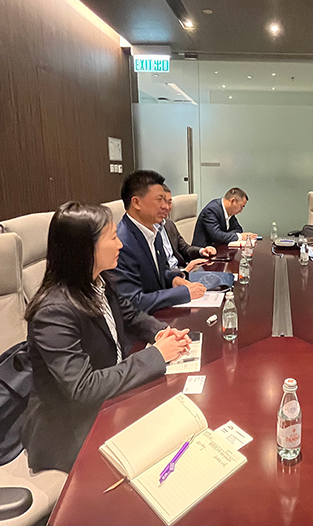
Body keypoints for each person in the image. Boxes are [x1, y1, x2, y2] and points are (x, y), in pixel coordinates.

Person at [21, 202, 192, 473]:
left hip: (111, 398)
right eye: (112, 238)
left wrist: (160, 332)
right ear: (85, 248)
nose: (120, 244)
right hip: (71, 425)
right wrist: (157, 354)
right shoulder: (53, 312)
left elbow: (130, 315)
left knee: (178, 427)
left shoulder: (100, 280)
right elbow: (83, 388)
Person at [112, 170, 206, 313]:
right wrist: (183, 293)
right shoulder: (122, 243)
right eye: (159, 200)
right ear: (136, 202)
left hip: (160, 313)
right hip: (143, 321)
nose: (166, 207)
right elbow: (131, 301)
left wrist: (173, 279)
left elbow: (160, 273)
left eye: (167, 201)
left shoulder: (153, 231)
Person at [157, 185, 217, 274]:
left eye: (169, 202)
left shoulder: (169, 224)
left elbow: (185, 249)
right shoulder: (148, 232)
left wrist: (202, 251)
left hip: (182, 271)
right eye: (161, 202)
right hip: (174, 276)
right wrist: (184, 271)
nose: (166, 207)